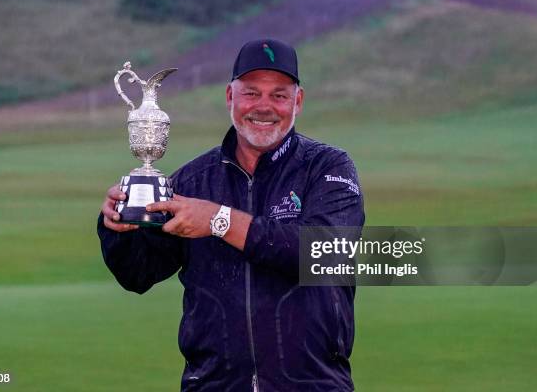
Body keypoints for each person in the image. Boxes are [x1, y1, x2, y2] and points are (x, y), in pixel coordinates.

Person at [98, 38, 365, 392]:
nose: (264, 107)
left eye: (279, 95)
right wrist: (118, 226)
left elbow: (325, 253)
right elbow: (137, 273)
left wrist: (219, 220)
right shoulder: (192, 181)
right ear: (230, 97)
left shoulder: (327, 168)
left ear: (297, 101)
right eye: (251, 93)